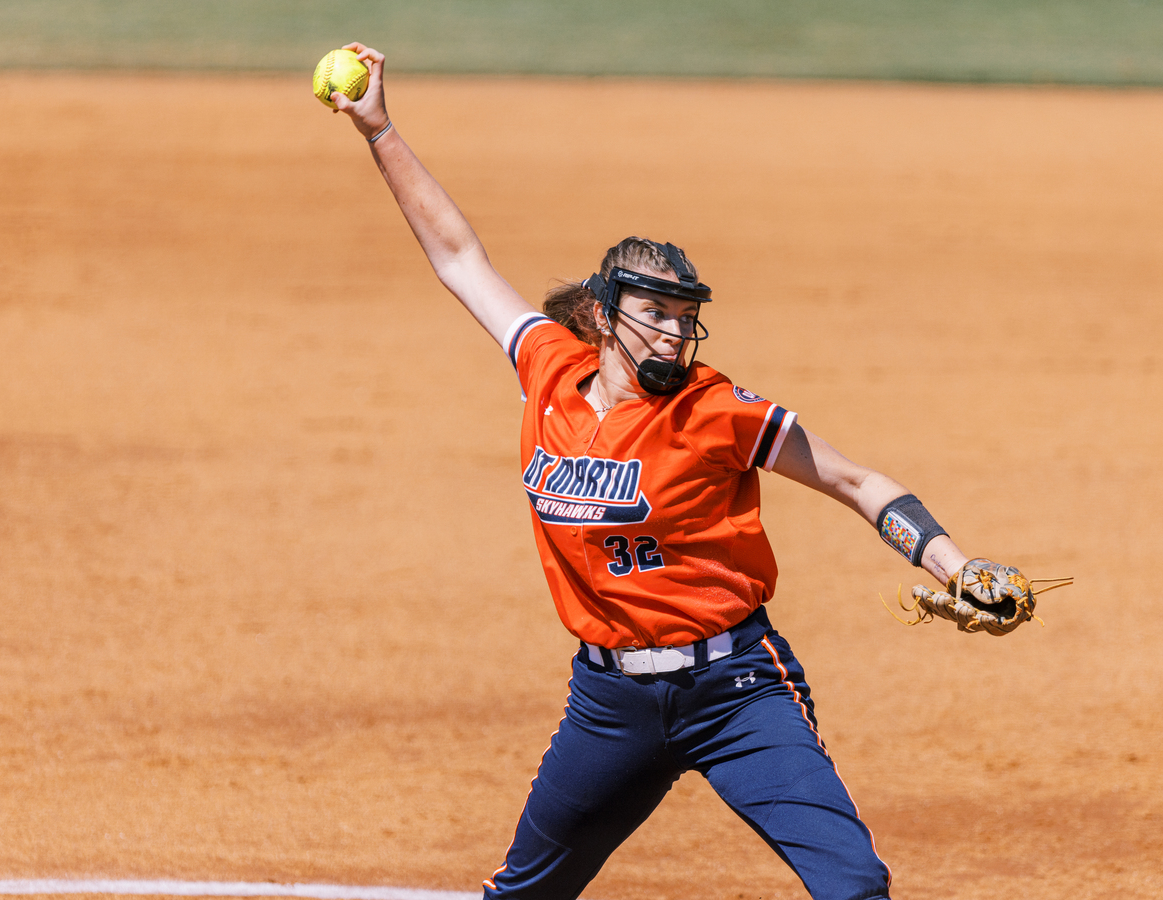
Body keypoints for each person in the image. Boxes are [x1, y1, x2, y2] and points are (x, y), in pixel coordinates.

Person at [323, 42, 1020, 900]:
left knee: (853, 887)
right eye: (654, 313)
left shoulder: (717, 410)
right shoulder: (548, 369)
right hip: (608, 704)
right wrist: (380, 130)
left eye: (684, 318)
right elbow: (460, 259)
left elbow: (856, 482)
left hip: (737, 691)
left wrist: (954, 563)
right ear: (602, 317)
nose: (673, 334)